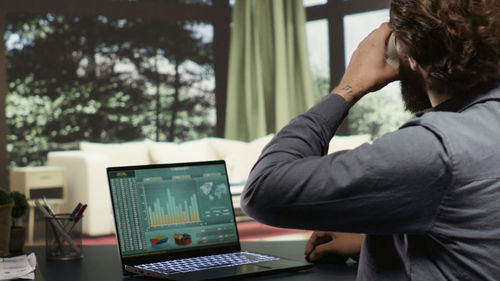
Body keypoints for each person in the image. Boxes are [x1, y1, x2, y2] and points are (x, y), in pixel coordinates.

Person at [240, 0, 500, 280]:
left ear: (410, 53)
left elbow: (262, 190)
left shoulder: (438, 147)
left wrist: (348, 87)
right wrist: (378, 241)